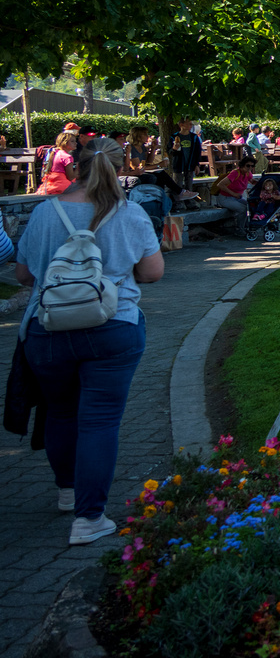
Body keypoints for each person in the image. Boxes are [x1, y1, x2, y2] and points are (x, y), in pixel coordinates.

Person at [14, 137, 164, 545]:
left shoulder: (46, 213)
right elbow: (152, 272)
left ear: (74, 166)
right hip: (112, 327)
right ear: (121, 167)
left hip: (48, 329)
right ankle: (89, 517)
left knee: (61, 413)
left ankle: (68, 492)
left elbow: (24, 275)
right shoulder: (130, 214)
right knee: (98, 420)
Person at [212, 158, 256, 236]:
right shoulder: (235, 173)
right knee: (243, 209)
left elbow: (252, 181)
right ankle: (239, 229)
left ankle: (248, 226)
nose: (250, 168)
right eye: (248, 165)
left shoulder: (248, 174)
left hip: (237, 198)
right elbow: (220, 184)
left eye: (252, 166)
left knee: (251, 206)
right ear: (242, 165)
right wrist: (233, 194)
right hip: (225, 198)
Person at [169, 120, 203, 192]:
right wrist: (174, 149)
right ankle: (178, 201)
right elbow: (169, 152)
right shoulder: (174, 137)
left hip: (190, 165)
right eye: (189, 124)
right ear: (181, 125)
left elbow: (198, 152)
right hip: (178, 165)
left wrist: (197, 164)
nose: (191, 126)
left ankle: (189, 200)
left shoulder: (194, 137)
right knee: (177, 185)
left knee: (189, 185)